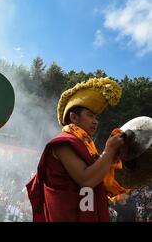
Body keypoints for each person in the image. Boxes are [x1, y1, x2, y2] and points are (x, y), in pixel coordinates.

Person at [26, 77, 130, 222]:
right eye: (90, 115)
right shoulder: (63, 143)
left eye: (96, 117)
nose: (95, 121)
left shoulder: (87, 146)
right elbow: (86, 180)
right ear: (74, 117)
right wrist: (109, 151)